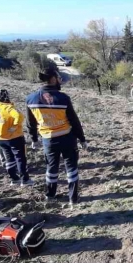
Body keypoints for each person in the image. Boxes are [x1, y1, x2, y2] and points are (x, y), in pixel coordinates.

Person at [26, 66, 87, 207]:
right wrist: (82, 138)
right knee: (71, 168)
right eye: (59, 78)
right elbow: (74, 120)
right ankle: (73, 198)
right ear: (53, 79)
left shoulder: (31, 99)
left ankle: (50, 195)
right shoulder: (63, 98)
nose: (60, 80)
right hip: (66, 137)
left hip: (48, 139)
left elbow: (31, 122)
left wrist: (34, 138)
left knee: (51, 168)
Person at [0, 89, 33, 187]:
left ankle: (14, 179)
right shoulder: (8, 107)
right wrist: (13, 127)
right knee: (20, 158)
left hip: (0, 138)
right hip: (15, 137)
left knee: (9, 159)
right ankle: (25, 180)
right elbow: (20, 117)